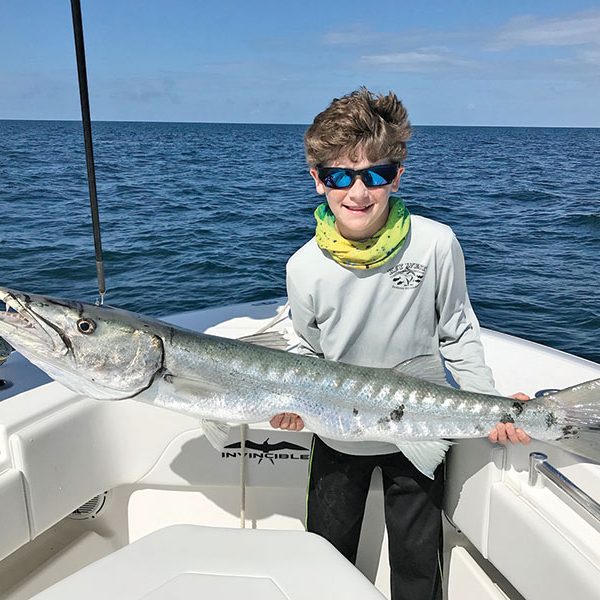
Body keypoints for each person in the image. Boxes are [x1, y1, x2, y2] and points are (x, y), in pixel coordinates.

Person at [270, 88, 530, 600]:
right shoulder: (302, 267)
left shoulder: (436, 243)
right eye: (341, 175)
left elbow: (457, 331)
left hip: (420, 435)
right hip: (336, 437)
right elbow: (306, 350)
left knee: (416, 568)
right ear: (318, 180)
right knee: (324, 559)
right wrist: (290, 405)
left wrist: (492, 406)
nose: (359, 192)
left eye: (376, 174)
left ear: (398, 176)